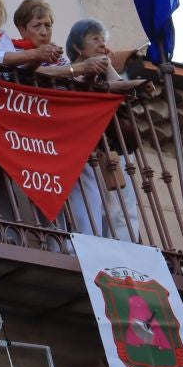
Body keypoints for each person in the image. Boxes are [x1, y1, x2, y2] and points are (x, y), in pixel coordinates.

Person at [65, 18, 147, 242]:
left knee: (124, 207)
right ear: (77, 47)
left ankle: (128, 252)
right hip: (90, 151)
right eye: (94, 39)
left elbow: (122, 91)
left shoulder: (106, 72)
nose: (101, 43)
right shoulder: (71, 73)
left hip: (114, 146)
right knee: (99, 206)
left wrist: (109, 65)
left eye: (103, 39)